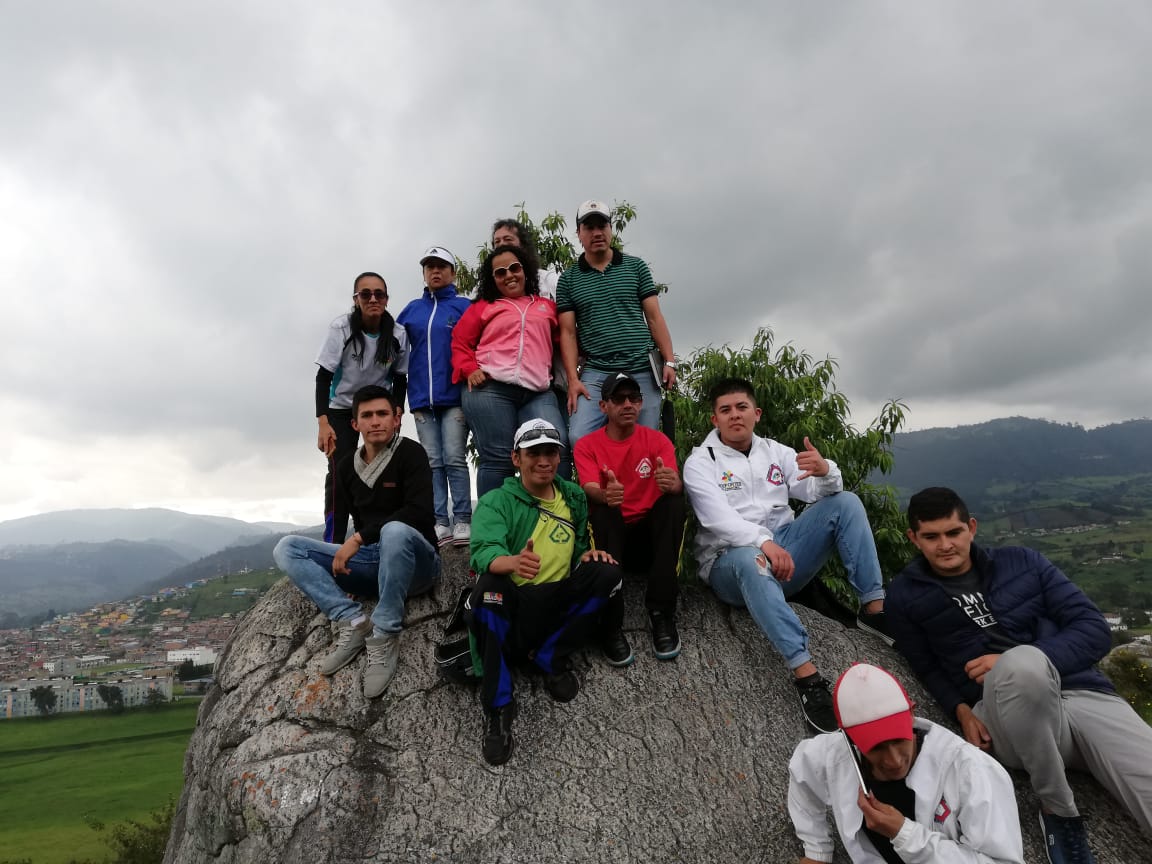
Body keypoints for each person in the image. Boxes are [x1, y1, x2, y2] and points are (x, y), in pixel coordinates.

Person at [887, 487, 1152, 861]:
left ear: (971, 527)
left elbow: (1094, 629)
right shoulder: (904, 596)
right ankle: (1058, 810)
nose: (945, 545)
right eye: (931, 537)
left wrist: (1023, 658)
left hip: (1082, 695)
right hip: (1003, 716)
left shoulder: (1022, 562)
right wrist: (960, 710)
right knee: (1020, 668)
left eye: (953, 532)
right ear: (914, 538)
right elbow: (924, 665)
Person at [682, 377, 892, 734]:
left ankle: (874, 610)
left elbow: (815, 491)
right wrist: (763, 542)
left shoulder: (774, 451)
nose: (735, 415)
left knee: (845, 503)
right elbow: (717, 520)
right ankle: (807, 677)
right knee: (750, 559)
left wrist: (826, 472)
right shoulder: (701, 462)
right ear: (714, 419)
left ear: (757, 413)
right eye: (725, 410)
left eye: (742, 407)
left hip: (784, 555)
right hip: (729, 562)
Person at [466, 418, 630, 766]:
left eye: (551, 452)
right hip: (514, 607)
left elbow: (580, 544)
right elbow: (483, 551)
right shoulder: (496, 501)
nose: (544, 461)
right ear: (516, 458)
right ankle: (498, 705)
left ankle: (550, 656)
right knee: (489, 587)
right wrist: (512, 562)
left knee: (607, 572)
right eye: (534, 453)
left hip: (556, 602)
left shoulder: (572, 495)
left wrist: (586, 556)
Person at [272, 385, 440, 698]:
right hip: (373, 562)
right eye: (367, 415)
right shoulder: (346, 465)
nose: (375, 421)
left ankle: (385, 633)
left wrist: (359, 539)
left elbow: (419, 512)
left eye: (382, 414)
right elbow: (339, 517)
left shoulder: (411, 453)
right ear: (355, 424)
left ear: (396, 419)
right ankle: (352, 620)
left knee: (395, 530)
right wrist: (338, 560)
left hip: (417, 564)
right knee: (287, 547)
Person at [788, 663, 1024, 864]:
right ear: (850, 739)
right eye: (876, 747)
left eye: (899, 739)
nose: (893, 760)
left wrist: (904, 834)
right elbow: (802, 772)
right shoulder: (835, 755)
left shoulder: (972, 770)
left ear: (911, 715)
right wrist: (817, 850)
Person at [573, 371, 685, 659]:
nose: (627, 404)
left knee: (673, 502)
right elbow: (589, 487)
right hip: (614, 541)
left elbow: (673, 481)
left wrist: (673, 483)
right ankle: (610, 623)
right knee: (602, 509)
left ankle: (661, 612)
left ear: (641, 403)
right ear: (604, 406)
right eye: (619, 398)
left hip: (650, 544)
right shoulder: (587, 445)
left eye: (633, 398)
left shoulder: (658, 441)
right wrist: (605, 494)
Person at [452, 243, 569, 497]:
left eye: (514, 268)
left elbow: (566, 341)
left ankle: (556, 516)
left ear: (525, 270)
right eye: (500, 272)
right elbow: (460, 342)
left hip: (538, 391)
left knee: (556, 450)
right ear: (493, 279)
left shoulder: (546, 307)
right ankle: (493, 520)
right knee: (498, 459)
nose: (509, 275)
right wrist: (469, 369)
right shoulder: (483, 306)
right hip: (490, 389)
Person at [555, 200, 676, 441]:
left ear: (611, 229)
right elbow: (567, 333)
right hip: (597, 369)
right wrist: (573, 380)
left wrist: (669, 361)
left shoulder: (636, 267)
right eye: (589, 227)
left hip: (641, 365)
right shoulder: (568, 280)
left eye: (602, 226)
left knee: (645, 439)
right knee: (579, 436)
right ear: (579, 233)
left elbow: (654, 317)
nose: (597, 233)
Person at [314, 271, 409, 542]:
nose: (372, 299)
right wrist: (323, 423)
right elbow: (324, 376)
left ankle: (369, 537)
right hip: (341, 408)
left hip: (377, 407)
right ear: (356, 299)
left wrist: (397, 411)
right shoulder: (341, 328)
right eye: (365, 294)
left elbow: (400, 377)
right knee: (340, 472)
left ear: (387, 299)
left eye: (379, 294)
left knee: (380, 470)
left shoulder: (398, 334)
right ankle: (333, 542)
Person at [396, 246, 473, 549]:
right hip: (420, 398)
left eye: (441, 266)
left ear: (453, 273)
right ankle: (440, 521)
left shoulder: (464, 307)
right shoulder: (411, 310)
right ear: (424, 274)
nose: (435, 272)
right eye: (430, 267)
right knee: (432, 461)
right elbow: (395, 349)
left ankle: (463, 518)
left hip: (454, 395)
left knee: (454, 457)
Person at [491, 218, 559, 300]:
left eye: (508, 239)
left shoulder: (548, 280)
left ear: (523, 245)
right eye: (497, 241)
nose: (502, 244)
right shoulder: (487, 288)